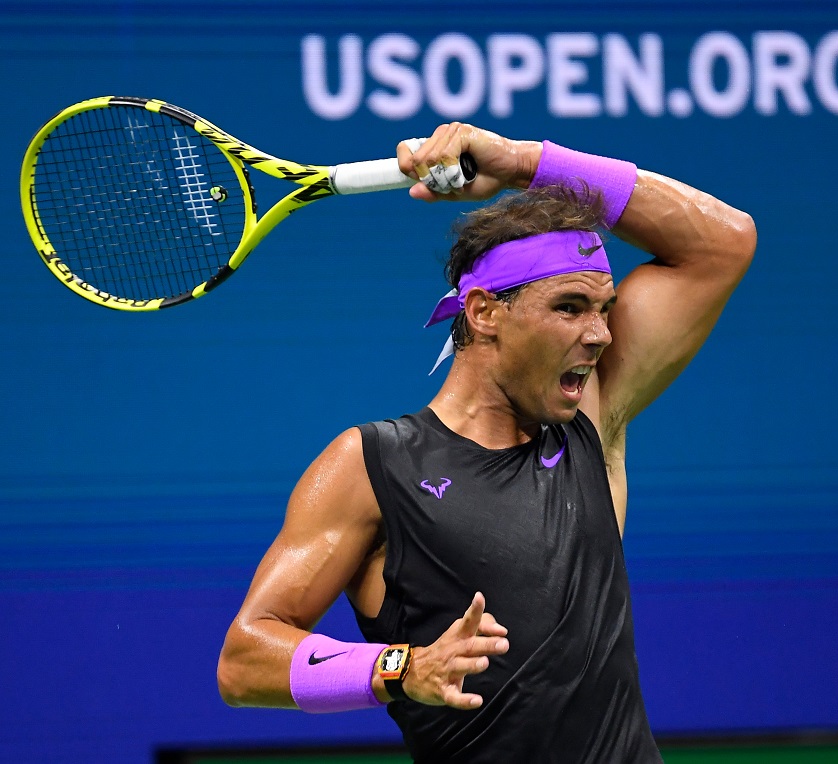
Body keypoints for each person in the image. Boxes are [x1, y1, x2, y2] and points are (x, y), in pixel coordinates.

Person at [217, 123, 756, 763]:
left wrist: (521, 161)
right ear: (483, 312)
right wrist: (400, 668)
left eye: (605, 308)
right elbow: (244, 660)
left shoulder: (590, 416)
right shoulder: (374, 466)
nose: (601, 335)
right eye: (570, 307)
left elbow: (724, 241)